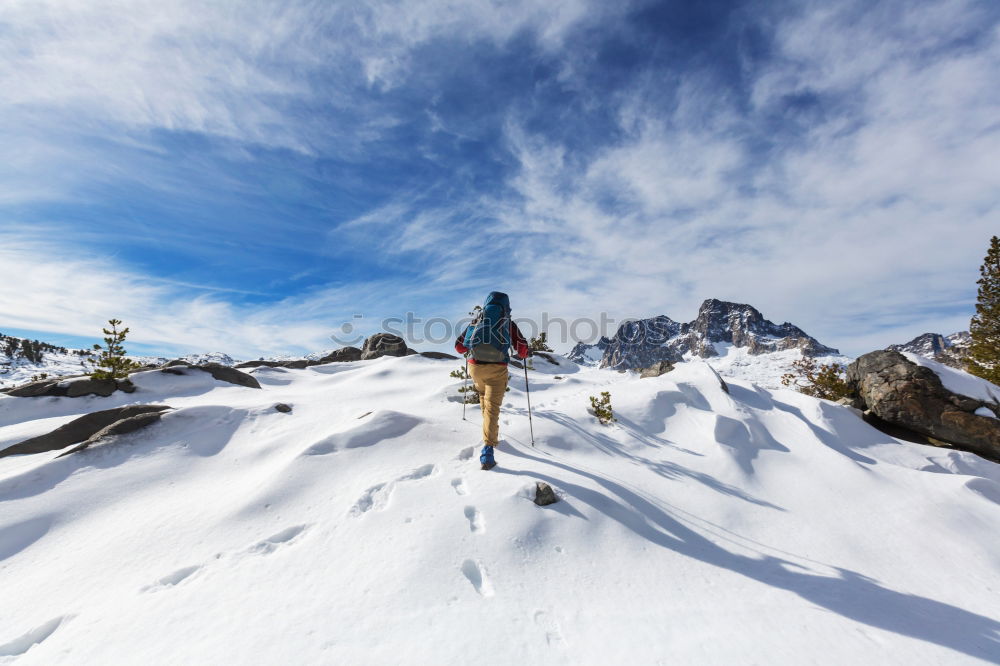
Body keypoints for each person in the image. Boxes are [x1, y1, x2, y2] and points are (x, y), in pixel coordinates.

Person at [454, 291, 529, 470]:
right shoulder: (508, 323)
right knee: (492, 408)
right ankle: (488, 450)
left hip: (475, 367)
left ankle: (490, 430)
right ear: (507, 307)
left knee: (484, 399)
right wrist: (520, 353)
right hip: (497, 367)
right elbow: (523, 350)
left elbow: (458, 347)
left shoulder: (477, 321)